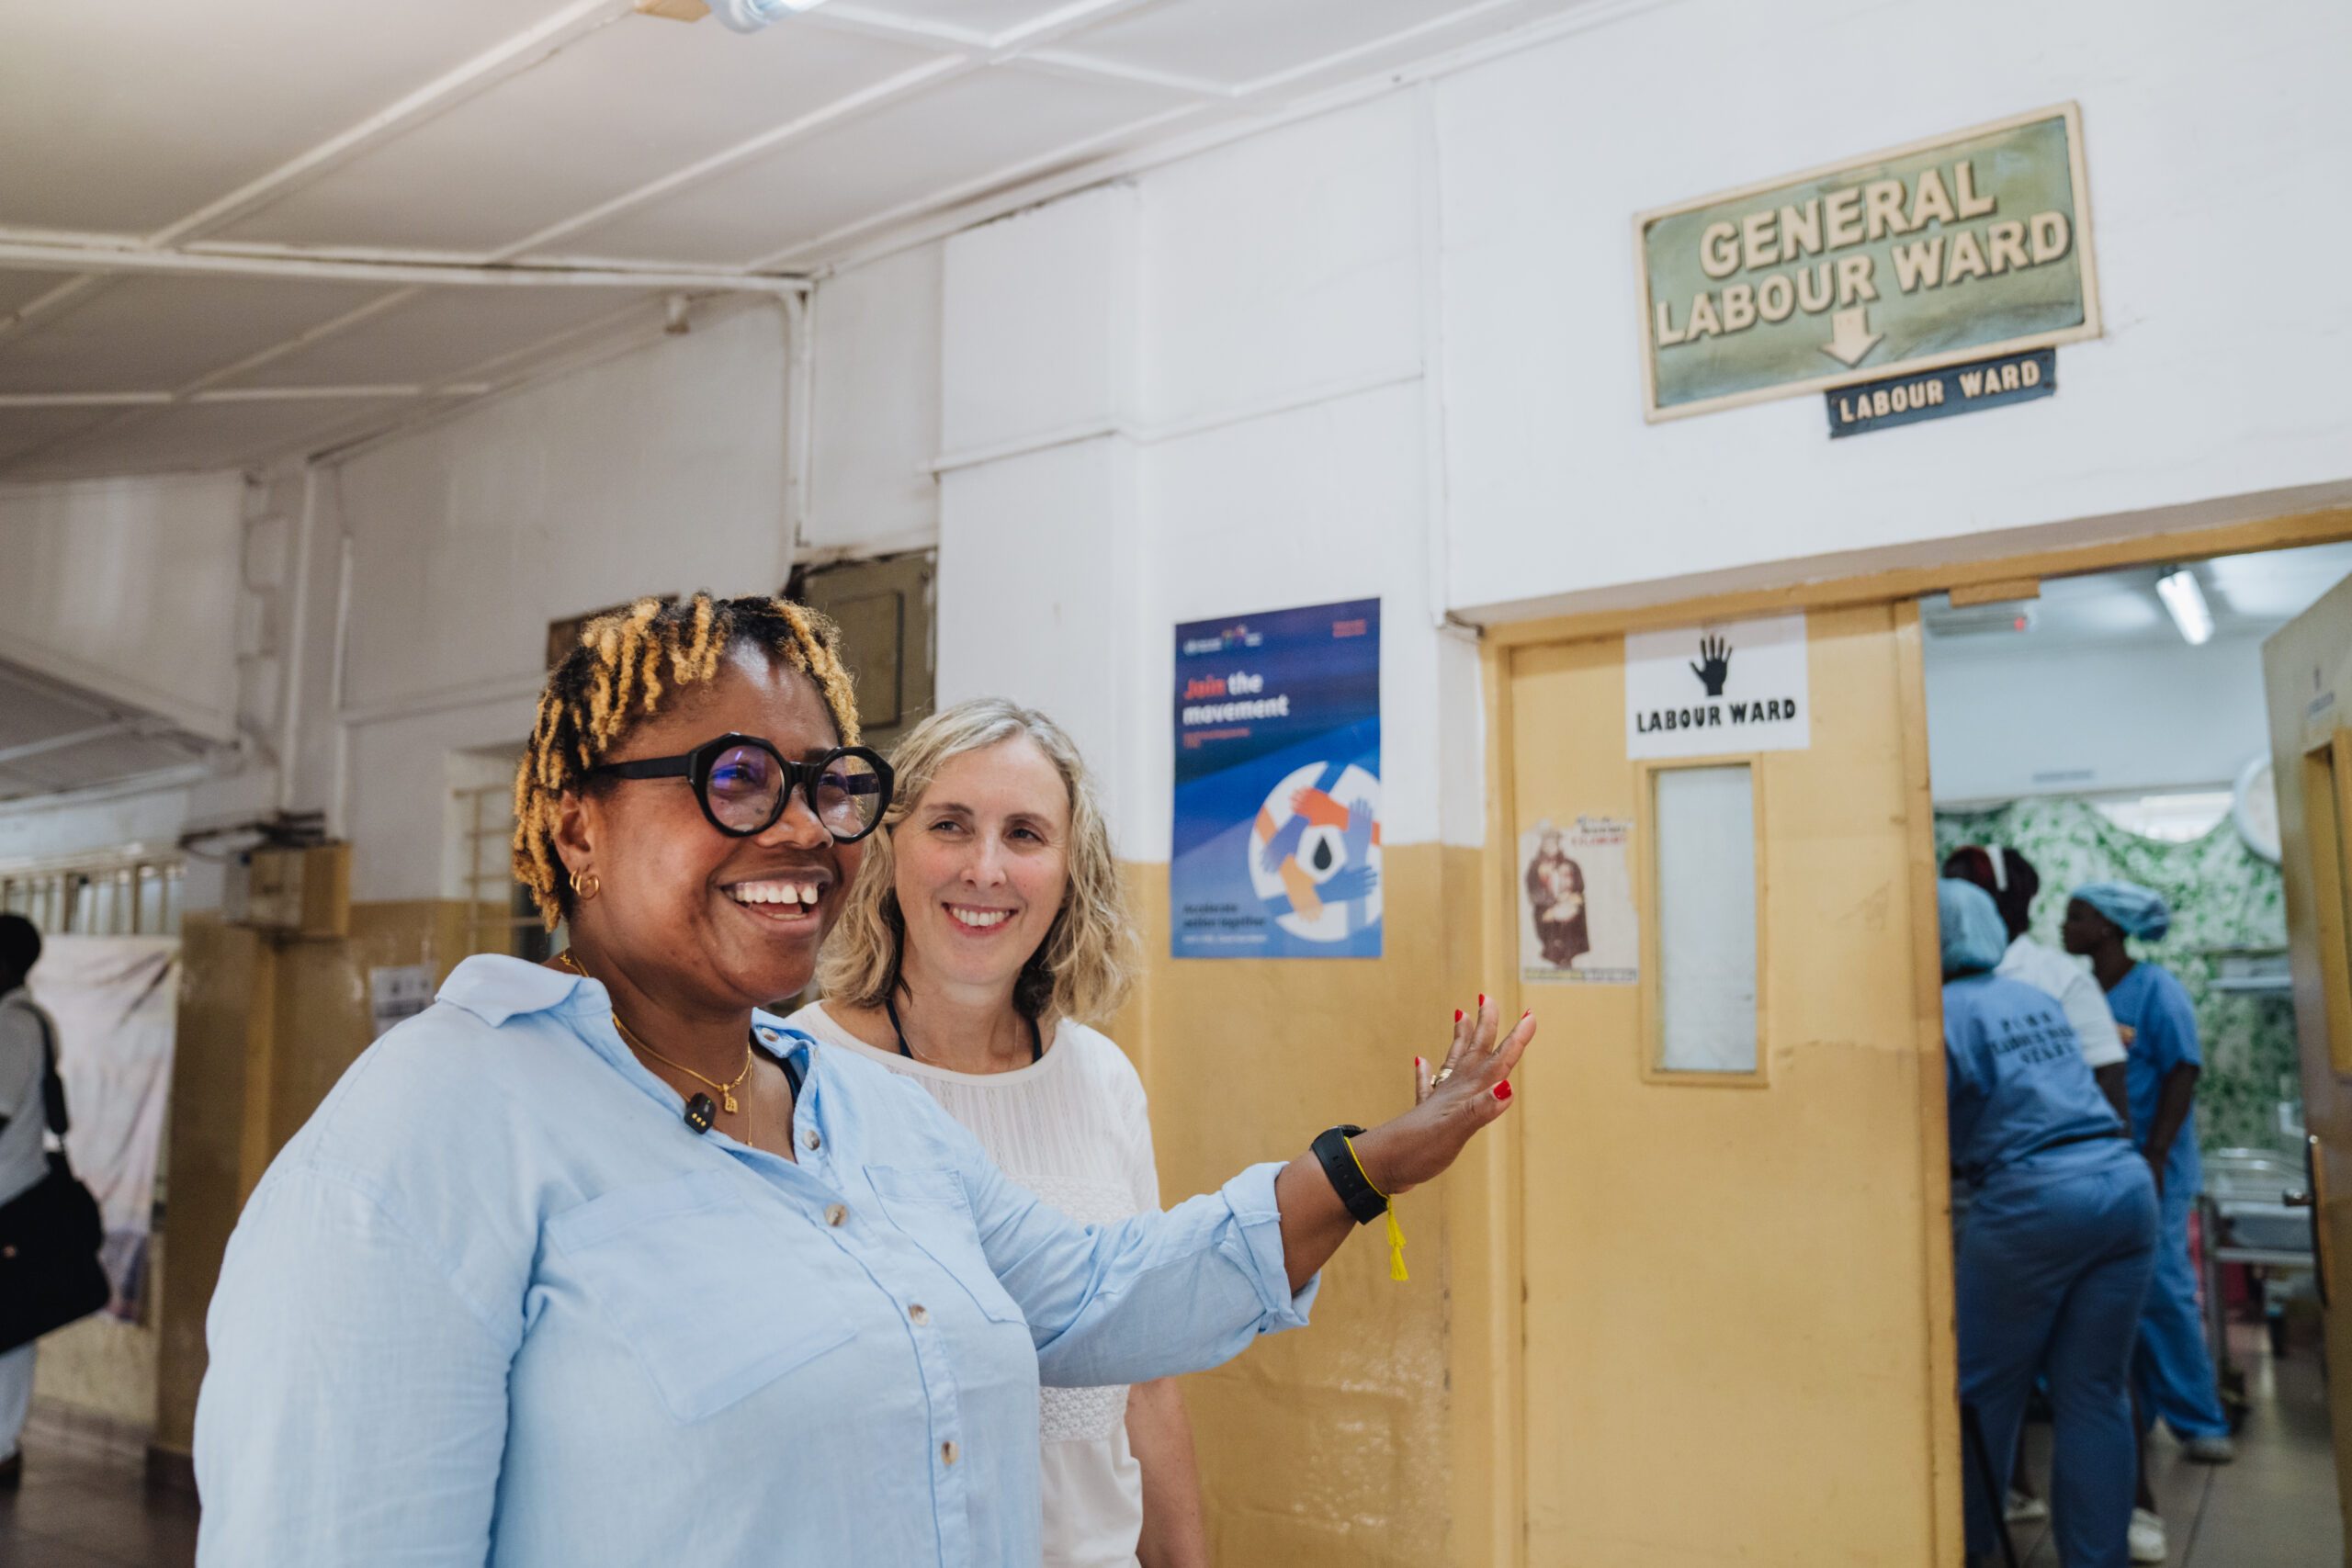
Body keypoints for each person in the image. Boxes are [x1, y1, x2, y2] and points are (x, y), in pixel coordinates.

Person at [192, 593, 1532, 1567]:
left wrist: (1370, 1162)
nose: (797, 828)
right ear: (576, 824)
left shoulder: (861, 1112)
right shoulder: (432, 1130)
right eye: (731, 779)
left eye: (826, 785)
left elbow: (1104, 1292)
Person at [789, 698, 1202, 1568]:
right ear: (891, 848)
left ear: (1067, 868)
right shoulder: (795, 1075)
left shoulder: (1104, 1083)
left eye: (1024, 834)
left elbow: (1149, 1381)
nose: (985, 868)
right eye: (950, 824)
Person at [1942, 879, 2157, 1568]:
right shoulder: (2033, 997)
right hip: (2121, 1187)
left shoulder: (1941, 1014)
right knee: (2093, 1393)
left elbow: (1920, 1135)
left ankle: (1964, 1550)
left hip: (2032, 1202)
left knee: (1983, 1394)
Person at [2063, 882, 2234, 1559]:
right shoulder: (2084, 992)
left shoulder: (2156, 989)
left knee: (2162, 1288)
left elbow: (2182, 1071)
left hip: (2154, 1165)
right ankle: (2145, 1408)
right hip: (2107, 1167)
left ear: (2109, 926)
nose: (2065, 924)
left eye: (2077, 915)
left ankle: (2201, 1419)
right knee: (2118, 1297)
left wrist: (2158, 1152)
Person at [1943, 846, 2129, 1117]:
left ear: (1998, 900)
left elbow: (2109, 1076)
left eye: (1964, 889)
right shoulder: (1942, 981)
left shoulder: (2058, 976)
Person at [0, 914, 54, 1492]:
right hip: (13, 1193)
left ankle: (2, 1446)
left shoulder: (12, 1027)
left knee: (9, 1328)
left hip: (8, 1200)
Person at [1526, 822, 1589, 970]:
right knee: (1552, 920)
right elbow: (1533, 892)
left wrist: (1569, 896)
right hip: (1546, 909)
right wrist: (1553, 902)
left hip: (1569, 907)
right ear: (1542, 845)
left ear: (1559, 844)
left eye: (1553, 842)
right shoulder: (1535, 867)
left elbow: (1580, 887)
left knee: (1571, 915)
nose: (1551, 846)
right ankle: (1555, 954)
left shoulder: (1572, 865)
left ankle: (1567, 956)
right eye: (1547, 843)